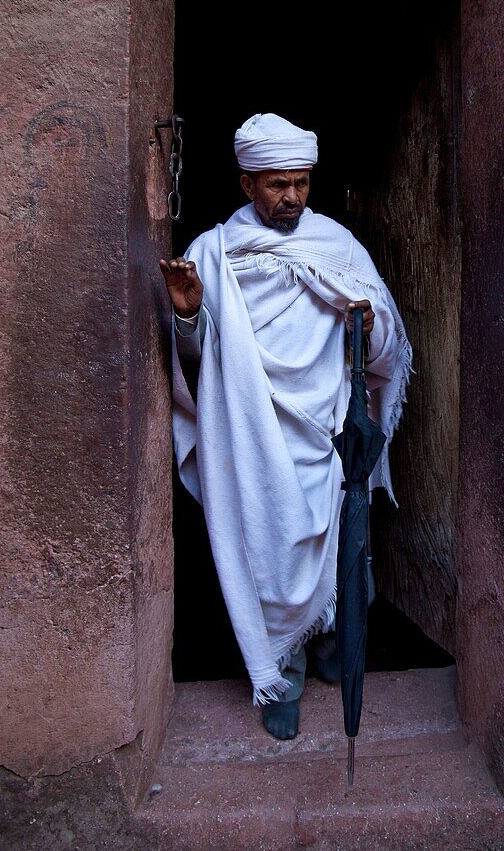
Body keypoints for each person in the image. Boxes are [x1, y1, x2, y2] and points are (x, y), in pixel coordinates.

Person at [159, 112, 411, 740]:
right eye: (278, 185)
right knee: (271, 562)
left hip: (325, 435)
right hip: (250, 439)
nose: (293, 197)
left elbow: (384, 352)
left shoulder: (335, 245)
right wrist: (189, 317)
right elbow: (195, 364)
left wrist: (365, 324)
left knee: (346, 562)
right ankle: (283, 674)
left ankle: (330, 655)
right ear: (247, 185)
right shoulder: (212, 255)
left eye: (301, 183)